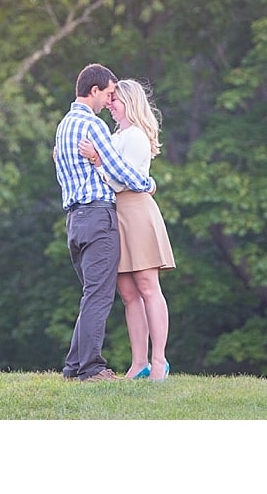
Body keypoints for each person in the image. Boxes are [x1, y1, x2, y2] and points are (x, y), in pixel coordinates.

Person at [53, 63, 157, 382]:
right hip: (99, 215)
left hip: (75, 219)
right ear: (94, 91)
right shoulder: (93, 126)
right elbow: (118, 170)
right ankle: (92, 368)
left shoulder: (64, 126)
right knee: (99, 295)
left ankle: (74, 367)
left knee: (91, 292)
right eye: (109, 93)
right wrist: (147, 183)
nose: (109, 101)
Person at [80, 78, 175, 380]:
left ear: (130, 102)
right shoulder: (116, 134)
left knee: (148, 286)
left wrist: (96, 161)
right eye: (110, 99)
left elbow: (124, 180)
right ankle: (138, 362)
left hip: (135, 211)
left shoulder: (135, 136)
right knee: (128, 292)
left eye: (115, 100)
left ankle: (159, 360)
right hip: (116, 215)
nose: (110, 104)